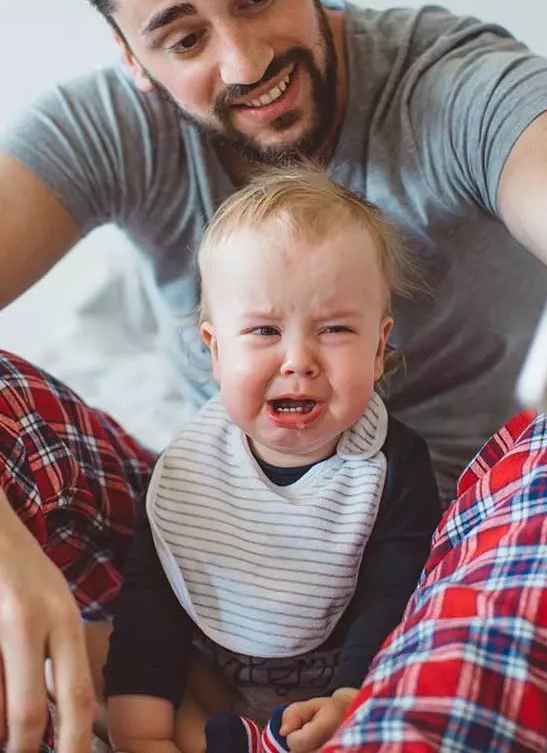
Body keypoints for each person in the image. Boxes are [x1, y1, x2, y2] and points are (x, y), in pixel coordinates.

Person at [1, 0, 547, 749]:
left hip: (465, 556)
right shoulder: (105, 129)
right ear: (133, 56)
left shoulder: (457, 84)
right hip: (223, 530)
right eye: (186, 40)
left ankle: (388, 720)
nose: (246, 60)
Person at [103, 167, 442, 753]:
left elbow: (395, 594)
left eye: (334, 329)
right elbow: (153, 600)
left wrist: (349, 694)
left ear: (380, 347)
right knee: (111, 658)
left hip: (333, 685)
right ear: (215, 349)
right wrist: (143, 725)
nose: (298, 360)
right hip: (216, 668)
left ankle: (262, 739)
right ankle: (219, 735)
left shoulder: (393, 466)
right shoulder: (190, 469)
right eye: (263, 330)